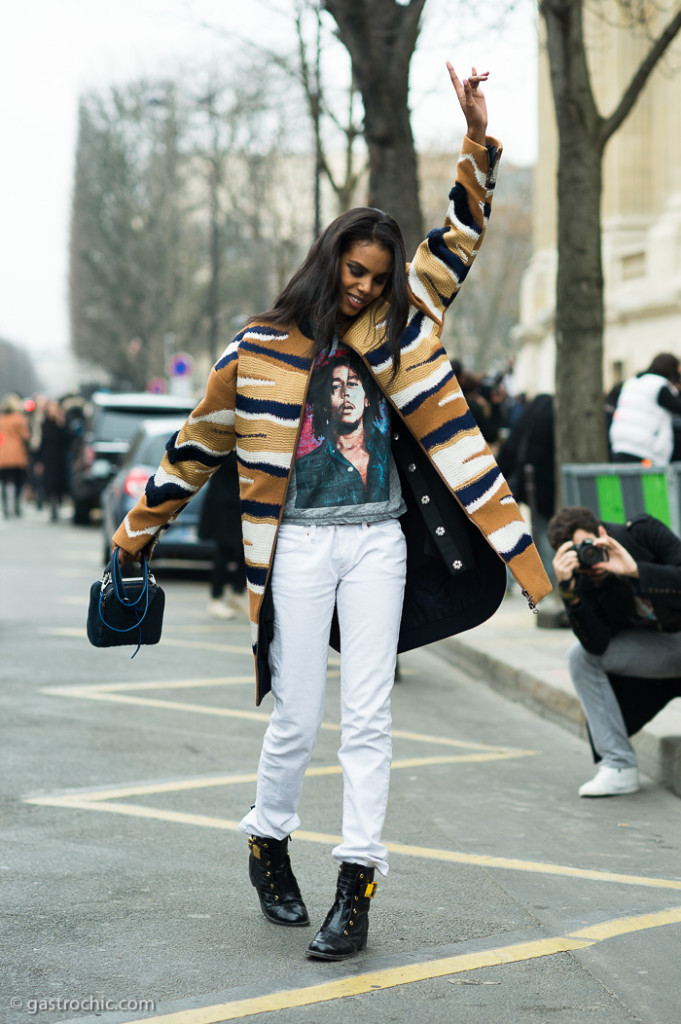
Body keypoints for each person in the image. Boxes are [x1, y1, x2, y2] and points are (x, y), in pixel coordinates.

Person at [111, 64, 551, 961]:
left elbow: (457, 239)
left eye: (378, 277)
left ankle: (355, 886)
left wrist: (476, 143)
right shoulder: (260, 352)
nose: (363, 287)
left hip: (379, 544)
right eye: (354, 270)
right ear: (328, 260)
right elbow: (194, 449)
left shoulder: (399, 322)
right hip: (300, 552)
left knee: (372, 720)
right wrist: (133, 538)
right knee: (297, 719)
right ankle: (267, 838)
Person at [549, 505, 681, 797]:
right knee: (579, 657)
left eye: (588, 546)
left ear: (602, 533)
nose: (589, 560)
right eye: (575, 554)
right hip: (660, 659)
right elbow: (597, 646)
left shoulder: (644, 533)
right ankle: (619, 766)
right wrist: (570, 593)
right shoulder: (583, 580)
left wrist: (634, 570)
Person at [198, 452, 246, 619]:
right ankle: (215, 599)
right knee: (224, 550)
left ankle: (236, 593)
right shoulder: (225, 436)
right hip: (223, 503)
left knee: (245, 549)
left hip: (240, 501)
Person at [609, 353, 681, 464]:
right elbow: (677, 406)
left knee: (628, 480)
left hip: (620, 444)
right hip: (644, 448)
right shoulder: (659, 386)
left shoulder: (633, 381)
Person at [0, 393, 30, 518]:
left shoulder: (1, 419)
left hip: (3, 452)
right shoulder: (19, 418)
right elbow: (25, 435)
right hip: (17, 453)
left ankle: (6, 507)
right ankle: (17, 505)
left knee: (4, 481)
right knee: (19, 481)